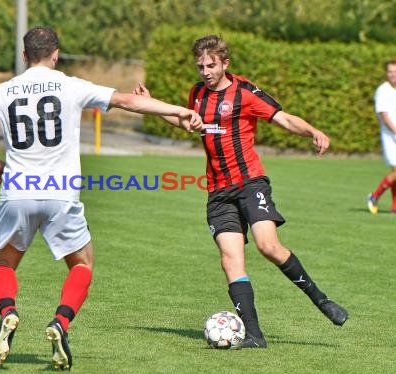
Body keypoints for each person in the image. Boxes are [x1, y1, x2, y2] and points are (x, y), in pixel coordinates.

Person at [0, 26, 201, 368]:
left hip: (18, 192)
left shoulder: (3, 91)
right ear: (55, 54)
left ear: (25, 56)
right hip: (61, 194)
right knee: (82, 264)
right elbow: (128, 101)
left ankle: (9, 313)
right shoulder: (71, 86)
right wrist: (178, 110)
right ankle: (61, 322)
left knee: (3, 265)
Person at [136, 35, 348, 348]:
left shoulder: (245, 92)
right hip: (218, 191)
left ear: (225, 63)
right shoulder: (197, 94)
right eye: (200, 66)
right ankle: (254, 336)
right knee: (230, 259)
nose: (205, 71)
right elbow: (185, 124)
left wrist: (313, 131)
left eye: (211, 65)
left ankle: (322, 300)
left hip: (250, 182)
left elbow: (283, 118)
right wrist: (150, 105)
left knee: (268, 246)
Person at [367, 60, 396, 214]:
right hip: (390, 136)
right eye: (390, 71)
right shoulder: (383, 90)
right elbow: (384, 115)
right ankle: (374, 196)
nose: (393, 74)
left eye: (395, 71)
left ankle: (395, 206)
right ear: (386, 73)